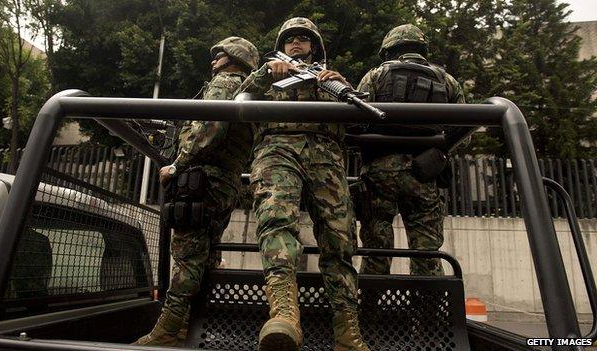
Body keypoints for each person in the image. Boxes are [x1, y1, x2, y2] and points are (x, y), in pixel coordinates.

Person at [238, 17, 369, 351]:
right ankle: (283, 314)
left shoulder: (330, 79)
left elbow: (355, 120)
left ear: (315, 46)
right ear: (282, 45)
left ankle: (347, 331)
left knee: (340, 238)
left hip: (325, 154)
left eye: (304, 39)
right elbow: (240, 101)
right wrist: (267, 74)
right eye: (290, 39)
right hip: (278, 148)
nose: (296, 43)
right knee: (276, 221)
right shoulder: (268, 73)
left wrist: (339, 86)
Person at [133, 36, 259, 347]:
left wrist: (177, 164)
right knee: (206, 256)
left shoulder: (225, 82)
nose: (214, 59)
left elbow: (208, 128)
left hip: (203, 179)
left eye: (220, 54)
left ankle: (168, 329)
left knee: (188, 255)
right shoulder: (248, 88)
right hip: (226, 183)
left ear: (234, 58)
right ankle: (189, 324)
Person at [354, 24, 465, 276]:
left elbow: (357, 121)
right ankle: (427, 314)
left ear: (389, 49)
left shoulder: (375, 75)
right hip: (424, 174)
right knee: (427, 253)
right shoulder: (446, 81)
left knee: (376, 249)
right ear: (422, 48)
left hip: (379, 173)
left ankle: (369, 312)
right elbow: (463, 133)